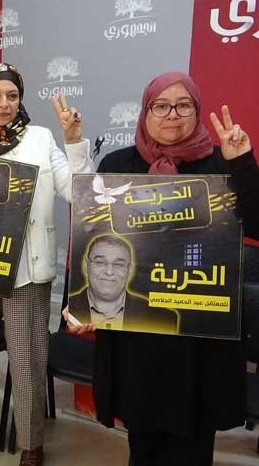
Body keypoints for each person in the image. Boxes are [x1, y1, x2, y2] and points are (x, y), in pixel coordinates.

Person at [64, 71, 256, 466]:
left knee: (193, 444)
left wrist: (243, 164)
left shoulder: (222, 163)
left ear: (197, 111)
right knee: (142, 441)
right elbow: (92, 236)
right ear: (146, 111)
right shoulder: (119, 164)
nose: (172, 114)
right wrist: (81, 303)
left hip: (199, 341)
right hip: (138, 339)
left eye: (183, 105)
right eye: (161, 105)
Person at [0, 63, 94, 466]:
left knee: (27, 359)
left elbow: (78, 192)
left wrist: (74, 142)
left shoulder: (41, 138)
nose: (4, 104)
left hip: (27, 272)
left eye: (12, 96)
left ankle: (32, 443)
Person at [67, 234, 177, 333]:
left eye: (119, 264)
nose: (109, 272)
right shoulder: (65, 311)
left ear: (130, 270)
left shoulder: (163, 319)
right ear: (86, 266)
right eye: (100, 262)